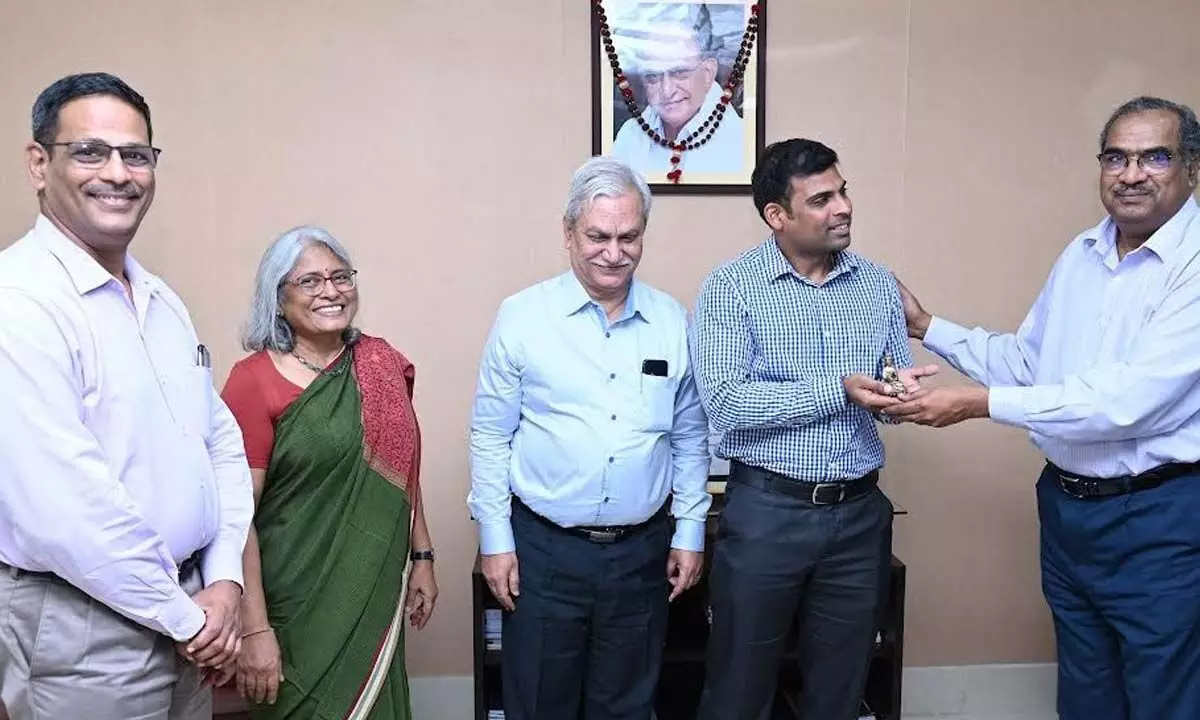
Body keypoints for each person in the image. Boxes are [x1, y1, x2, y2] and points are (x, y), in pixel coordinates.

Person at [887, 96, 1200, 719]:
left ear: (1191, 167)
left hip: (1158, 517)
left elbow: (1127, 403)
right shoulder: (1081, 254)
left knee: (1164, 695)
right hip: (1067, 512)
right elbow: (1032, 366)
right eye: (1116, 157)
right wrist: (928, 326)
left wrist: (978, 406)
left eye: (1154, 157)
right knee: (1085, 692)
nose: (1131, 173)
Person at [0, 72, 254, 719]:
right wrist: (189, 618)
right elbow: (63, 507)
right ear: (39, 163)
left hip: (192, 605)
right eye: (90, 151)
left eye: (135, 155)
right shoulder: (19, 301)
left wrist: (223, 577)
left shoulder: (161, 301)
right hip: (84, 626)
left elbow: (218, 442)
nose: (118, 173)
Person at [690, 138, 937, 720]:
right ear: (778, 215)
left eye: (843, 190)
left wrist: (896, 394)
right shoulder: (732, 288)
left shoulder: (877, 283)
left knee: (841, 688)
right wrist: (839, 388)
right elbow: (726, 404)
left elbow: (880, 385)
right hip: (768, 513)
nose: (843, 207)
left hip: (859, 516)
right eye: (822, 198)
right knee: (738, 686)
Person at [467, 155, 711, 720]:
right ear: (568, 232)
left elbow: (691, 437)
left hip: (641, 552)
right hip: (545, 550)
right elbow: (489, 436)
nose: (614, 252)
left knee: (627, 706)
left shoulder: (675, 321)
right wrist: (495, 540)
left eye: (629, 236)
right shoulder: (523, 317)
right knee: (540, 703)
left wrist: (691, 530)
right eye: (598, 236)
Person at [220, 226, 438, 719]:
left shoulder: (379, 364)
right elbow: (236, 516)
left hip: (374, 586)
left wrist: (422, 554)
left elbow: (401, 469)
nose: (331, 291)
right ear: (277, 299)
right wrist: (255, 627)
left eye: (341, 277)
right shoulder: (252, 382)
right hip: (294, 597)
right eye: (310, 281)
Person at [611, 3, 745, 175]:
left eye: (680, 72)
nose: (667, 91)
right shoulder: (629, 136)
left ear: (708, 73)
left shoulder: (741, 141)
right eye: (652, 76)